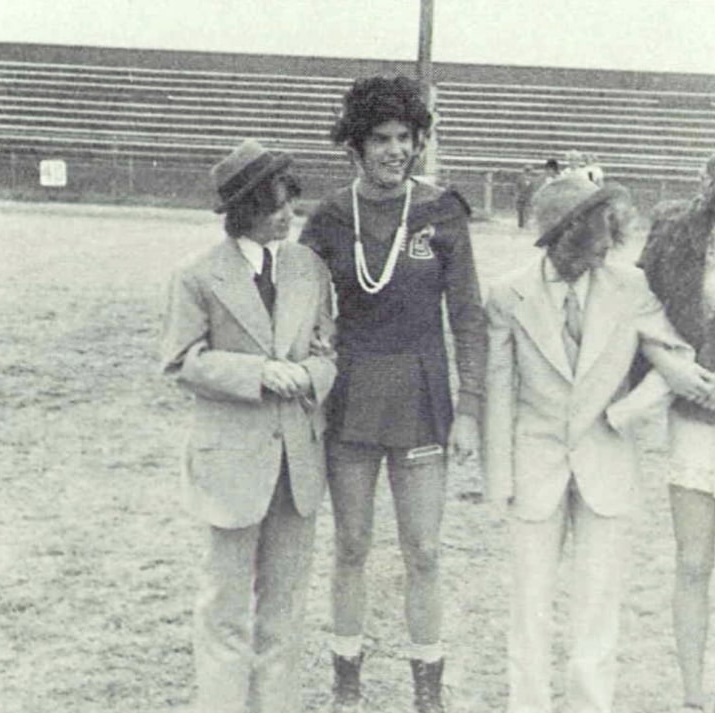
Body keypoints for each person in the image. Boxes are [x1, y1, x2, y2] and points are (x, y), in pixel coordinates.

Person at [483, 173, 711, 713]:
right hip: (533, 467)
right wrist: (499, 479)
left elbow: (676, 358)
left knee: (597, 606)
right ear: (564, 235)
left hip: (607, 465)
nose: (607, 246)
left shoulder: (630, 289)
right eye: (596, 235)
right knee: (529, 605)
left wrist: (627, 412)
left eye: (611, 232)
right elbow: (497, 389)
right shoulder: (507, 293)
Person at [299, 74, 487, 713]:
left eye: (406, 137)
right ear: (355, 145)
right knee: (351, 544)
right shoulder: (326, 217)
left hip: (422, 396)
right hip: (350, 399)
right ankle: (346, 682)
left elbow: (467, 317)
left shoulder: (443, 211)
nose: (395, 150)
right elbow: (302, 316)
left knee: (424, 550)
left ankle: (426, 688)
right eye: (380, 138)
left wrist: (470, 410)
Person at [160, 140, 337, 713]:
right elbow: (182, 360)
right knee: (226, 610)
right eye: (275, 206)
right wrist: (259, 373)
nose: (288, 216)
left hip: (297, 466)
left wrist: (309, 375)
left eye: (291, 202)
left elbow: (327, 350)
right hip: (231, 467)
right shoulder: (198, 276)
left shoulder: (309, 269)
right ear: (244, 212)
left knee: (284, 612)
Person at [637, 115, 715, 713]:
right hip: (690, 413)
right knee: (693, 561)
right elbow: (637, 305)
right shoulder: (678, 231)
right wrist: (669, 362)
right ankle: (692, 695)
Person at [514, 164, 536, 228]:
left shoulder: (533, 179)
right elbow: (516, 187)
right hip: (521, 197)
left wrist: (533, 196)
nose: (528, 172)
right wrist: (517, 195)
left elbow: (534, 188)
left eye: (529, 170)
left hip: (529, 197)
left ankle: (526, 224)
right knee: (520, 212)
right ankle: (521, 225)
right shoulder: (520, 178)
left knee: (528, 211)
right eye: (527, 170)